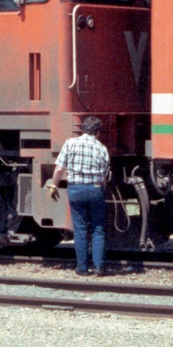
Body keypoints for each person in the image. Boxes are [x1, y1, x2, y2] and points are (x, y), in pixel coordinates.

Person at [46, 117, 110, 276]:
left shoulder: (70, 143)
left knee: (80, 230)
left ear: (83, 129)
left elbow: (60, 169)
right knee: (98, 230)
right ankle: (99, 267)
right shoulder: (102, 148)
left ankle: (82, 268)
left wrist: (54, 186)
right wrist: (101, 191)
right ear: (98, 132)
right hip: (95, 190)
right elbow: (104, 177)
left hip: (76, 190)